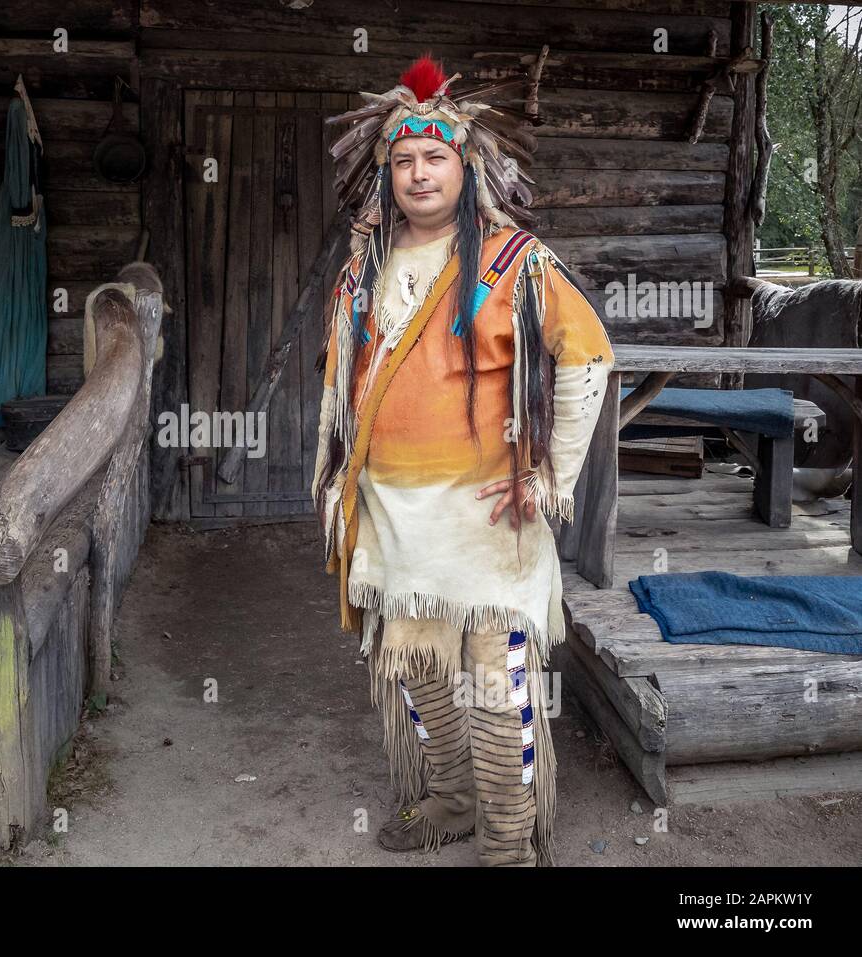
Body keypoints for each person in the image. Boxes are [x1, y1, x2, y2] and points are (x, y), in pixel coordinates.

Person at [312, 54, 615, 866]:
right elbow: (346, 381)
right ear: (386, 172)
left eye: (435, 156)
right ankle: (447, 799)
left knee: (494, 688)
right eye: (403, 159)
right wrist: (343, 475)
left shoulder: (515, 262)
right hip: (395, 520)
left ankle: (511, 843)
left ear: (466, 163)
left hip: (486, 525)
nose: (418, 173)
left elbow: (587, 356)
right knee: (419, 677)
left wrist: (550, 475)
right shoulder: (363, 267)